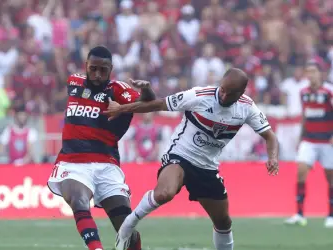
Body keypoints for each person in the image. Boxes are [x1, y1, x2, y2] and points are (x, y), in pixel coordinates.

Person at [105, 68, 279, 250]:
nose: (223, 94)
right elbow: (158, 105)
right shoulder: (200, 95)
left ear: (241, 93)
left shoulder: (247, 107)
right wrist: (122, 109)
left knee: (223, 221)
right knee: (165, 193)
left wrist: (273, 157)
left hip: (207, 167)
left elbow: (270, 136)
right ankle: (127, 227)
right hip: (180, 155)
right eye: (222, 89)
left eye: (229, 93)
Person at [47, 46, 155, 250]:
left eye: (103, 70)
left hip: (107, 164)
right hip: (73, 162)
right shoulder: (74, 82)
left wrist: (146, 90)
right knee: (79, 201)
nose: (97, 75)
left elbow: (148, 103)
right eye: (93, 68)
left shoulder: (118, 90)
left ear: (111, 69)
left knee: (125, 227)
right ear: (86, 66)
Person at [285, 62, 333, 228]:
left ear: (320, 74)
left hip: (327, 141)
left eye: (313, 71)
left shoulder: (328, 91)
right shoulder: (303, 92)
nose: (310, 75)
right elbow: (305, 115)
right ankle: (299, 214)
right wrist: (301, 137)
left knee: (330, 178)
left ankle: (331, 215)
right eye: (308, 72)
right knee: (301, 172)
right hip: (309, 140)